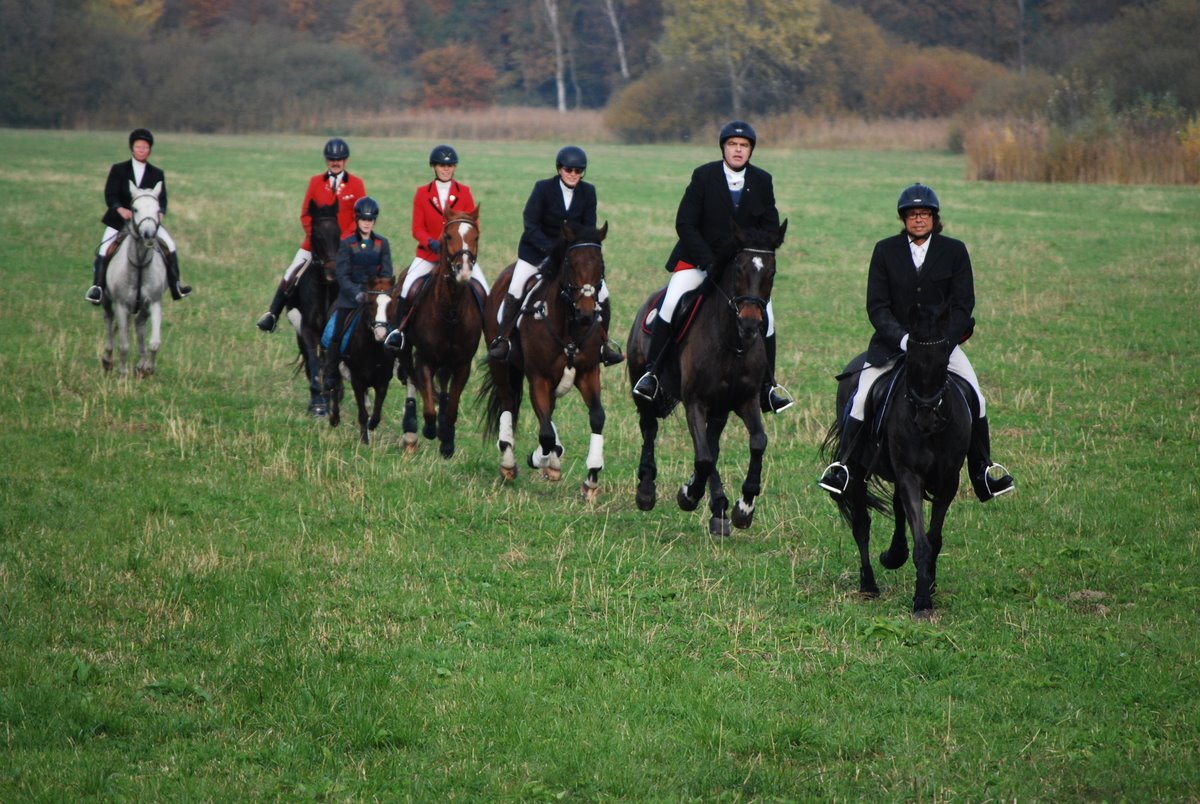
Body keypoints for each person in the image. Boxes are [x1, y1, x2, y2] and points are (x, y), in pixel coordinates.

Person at [817, 182, 1015, 502]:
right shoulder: (885, 250)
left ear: (935, 218)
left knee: (977, 396)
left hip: (941, 348)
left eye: (924, 214)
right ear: (903, 218)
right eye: (912, 214)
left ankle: (983, 471)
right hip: (894, 345)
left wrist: (944, 343)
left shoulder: (954, 251)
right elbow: (877, 306)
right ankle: (844, 467)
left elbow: (963, 306)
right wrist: (904, 339)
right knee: (861, 393)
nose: (919, 219)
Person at [632, 120, 793, 413]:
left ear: (750, 151)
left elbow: (769, 228)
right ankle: (652, 374)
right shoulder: (704, 176)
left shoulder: (762, 181)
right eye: (733, 145)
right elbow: (685, 223)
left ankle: (768, 387)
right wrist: (707, 259)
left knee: (767, 316)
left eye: (744, 146)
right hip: (698, 261)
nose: (738, 150)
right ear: (723, 148)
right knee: (671, 303)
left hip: (741, 271)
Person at [485, 145, 623, 366]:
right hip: (536, 254)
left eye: (579, 171)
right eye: (569, 170)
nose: (574, 174)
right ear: (560, 169)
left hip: (573, 259)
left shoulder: (588, 192)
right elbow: (531, 224)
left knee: (603, 294)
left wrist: (575, 253)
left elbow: (588, 229)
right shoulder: (543, 189)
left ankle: (603, 345)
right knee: (516, 287)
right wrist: (551, 250)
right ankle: (503, 340)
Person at [255, 138, 368, 332]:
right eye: (332, 159)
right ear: (326, 160)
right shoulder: (316, 182)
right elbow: (305, 213)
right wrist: (315, 237)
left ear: (346, 160)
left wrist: (344, 239)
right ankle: (273, 314)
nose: (336, 162)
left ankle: (370, 319)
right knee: (292, 272)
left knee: (366, 272)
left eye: (339, 159)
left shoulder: (356, 184)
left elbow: (360, 217)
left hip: (346, 243)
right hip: (316, 244)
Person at [384, 144, 488, 351]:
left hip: (459, 256)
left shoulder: (464, 193)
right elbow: (417, 228)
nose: (446, 169)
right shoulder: (422, 193)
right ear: (434, 167)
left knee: (484, 290)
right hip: (428, 254)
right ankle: (398, 332)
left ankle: (491, 335)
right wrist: (431, 242)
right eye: (441, 165)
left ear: (454, 167)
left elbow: (472, 225)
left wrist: (463, 247)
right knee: (407, 287)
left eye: (449, 165)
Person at [86, 128, 190, 304]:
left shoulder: (157, 173)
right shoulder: (119, 170)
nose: (142, 150)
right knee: (104, 249)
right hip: (120, 221)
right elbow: (110, 194)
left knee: (170, 245)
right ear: (132, 148)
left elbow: (162, 199)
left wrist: (161, 212)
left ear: (149, 150)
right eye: (138, 147)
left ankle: (176, 286)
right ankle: (98, 288)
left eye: (145, 147)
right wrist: (120, 209)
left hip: (146, 222)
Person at [322, 197, 393, 391]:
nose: (366, 223)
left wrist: (377, 293)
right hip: (351, 298)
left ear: (374, 221)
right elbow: (342, 275)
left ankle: (399, 367)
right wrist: (356, 294)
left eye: (370, 220)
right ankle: (331, 373)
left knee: (394, 328)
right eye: (363, 219)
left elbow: (386, 273)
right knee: (336, 335)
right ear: (357, 219)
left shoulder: (382, 243)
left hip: (375, 297)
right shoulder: (347, 243)